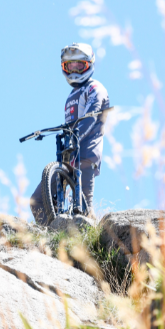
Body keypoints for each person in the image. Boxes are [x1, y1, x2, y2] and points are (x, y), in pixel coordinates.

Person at [60, 42, 110, 217]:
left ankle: (89, 236)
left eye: (79, 66)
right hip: (70, 152)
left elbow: (90, 117)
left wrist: (74, 137)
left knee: (83, 206)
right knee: (38, 199)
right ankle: (50, 235)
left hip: (87, 152)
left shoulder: (95, 88)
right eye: (70, 66)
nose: (74, 71)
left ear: (89, 65)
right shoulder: (71, 95)